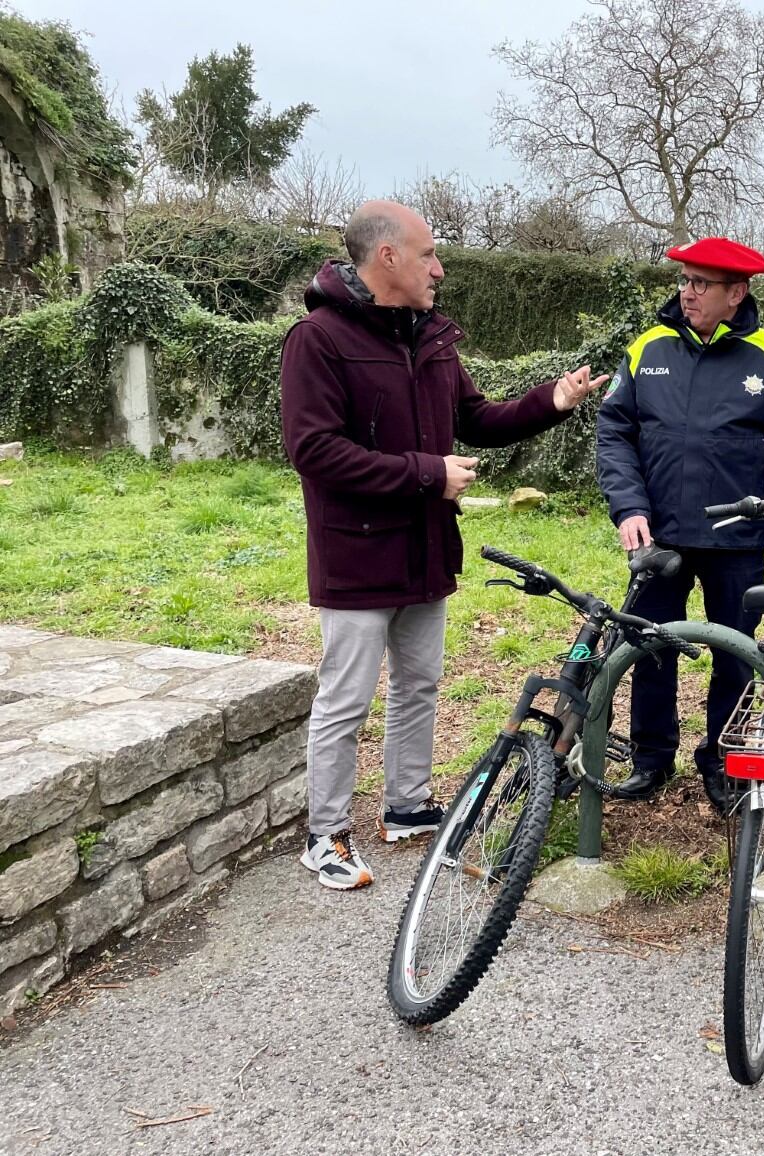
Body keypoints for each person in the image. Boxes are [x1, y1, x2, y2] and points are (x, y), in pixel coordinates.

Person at [281, 200, 606, 890]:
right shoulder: (318, 340)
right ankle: (326, 833)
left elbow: (477, 419)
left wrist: (553, 401)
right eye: (428, 254)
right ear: (388, 258)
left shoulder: (429, 339)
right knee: (347, 698)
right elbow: (313, 450)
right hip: (356, 555)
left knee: (419, 686)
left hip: (426, 551)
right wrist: (429, 473)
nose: (440, 267)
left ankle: (407, 806)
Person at [596, 237, 764, 815]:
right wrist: (629, 507)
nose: (688, 292)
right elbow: (615, 432)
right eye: (685, 281)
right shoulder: (648, 348)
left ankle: (724, 761)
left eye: (702, 284)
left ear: (736, 292)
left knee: (737, 656)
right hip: (660, 536)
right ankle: (650, 759)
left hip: (737, 537)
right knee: (649, 647)